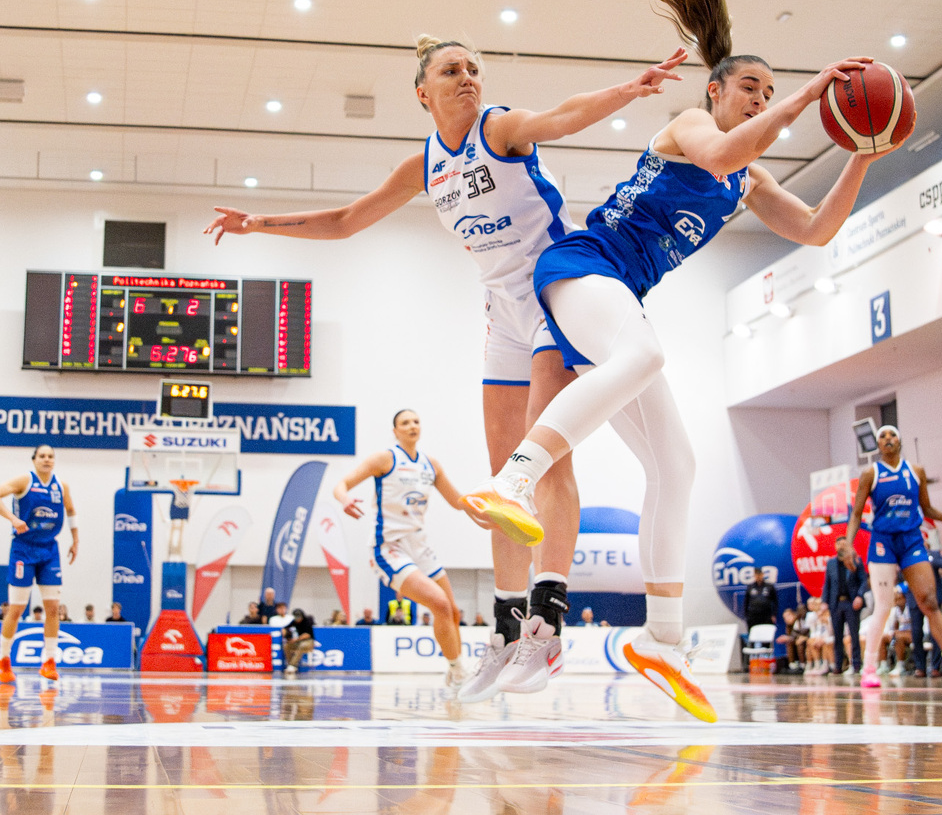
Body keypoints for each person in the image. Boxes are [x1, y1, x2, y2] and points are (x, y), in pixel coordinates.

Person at [466, 0, 888, 722]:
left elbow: (814, 230)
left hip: (615, 297)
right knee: (644, 352)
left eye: (770, 93)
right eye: (752, 88)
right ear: (717, 90)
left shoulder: (747, 177)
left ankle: (660, 639)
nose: (761, 99)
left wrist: (861, 153)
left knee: (678, 464)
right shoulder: (695, 126)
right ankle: (513, 480)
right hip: (583, 266)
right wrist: (805, 99)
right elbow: (724, 152)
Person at [208, 36, 687, 704]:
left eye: (473, 69)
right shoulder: (425, 164)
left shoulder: (500, 129)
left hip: (555, 294)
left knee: (547, 466)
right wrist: (260, 222)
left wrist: (628, 90)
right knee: (500, 484)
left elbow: (562, 116)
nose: (467, 78)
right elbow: (345, 220)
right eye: (451, 70)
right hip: (501, 315)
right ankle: (505, 629)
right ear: (422, 93)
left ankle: (547, 628)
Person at [332, 409, 470, 690]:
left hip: (420, 545)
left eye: (416, 421)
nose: (412, 426)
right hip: (389, 546)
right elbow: (341, 484)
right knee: (439, 604)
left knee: (453, 612)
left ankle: (454, 671)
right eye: (405, 423)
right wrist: (345, 500)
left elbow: (458, 502)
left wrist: (489, 509)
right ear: (395, 431)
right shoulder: (385, 459)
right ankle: (460, 674)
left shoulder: (431, 464)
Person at [847, 425, 942, 688]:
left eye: (892, 435)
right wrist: (847, 543)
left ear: (899, 441)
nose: (888, 438)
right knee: (884, 606)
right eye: (882, 436)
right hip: (883, 542)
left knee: (930, 602)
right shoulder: (871, 473)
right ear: (878, 445)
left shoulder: (915, 471)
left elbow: (928, 509)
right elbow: (856, 514)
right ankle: (869, 668)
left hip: (911, 540)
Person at [0, 446, 78, 683]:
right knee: (17, 608)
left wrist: (75, 540)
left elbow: (71, 510)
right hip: (23, 549)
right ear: (34, 460)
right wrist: (14, 519)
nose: (47, 459)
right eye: (42, 456)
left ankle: (49, 661)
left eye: (50, 456)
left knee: (53, 608)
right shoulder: (24, 481)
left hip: (49, 551)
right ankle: (4, 661)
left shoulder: (61, 486)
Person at [822, 538, 868, 674]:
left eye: (844, 543)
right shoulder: (831, 563)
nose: (841, 546)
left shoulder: (856, 561)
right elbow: (827, 583)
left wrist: (860, 596)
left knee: (854, 635)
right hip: (836, 603)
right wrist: (824, 601)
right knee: (837, 636)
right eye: (838, 544)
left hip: (851, 602)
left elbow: (863, 580)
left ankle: (856, 664)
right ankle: (838, 665)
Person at [283, 608, 315, 673]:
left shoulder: (307, 621)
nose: (297, 619)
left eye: (298, 617)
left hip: (308, 641)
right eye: (296, 617)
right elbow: (286, 627)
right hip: (298, 641)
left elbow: (307, 635)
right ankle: (291, 665)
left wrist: (296, 639)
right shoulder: (294, 621)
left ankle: (292, 665)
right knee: (287, 646)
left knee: (302, 646)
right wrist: (284, 631)